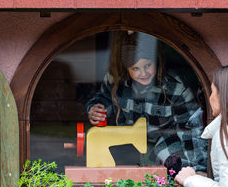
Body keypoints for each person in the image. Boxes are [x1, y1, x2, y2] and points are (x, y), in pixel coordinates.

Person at [85, 31, 207, 173]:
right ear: (126, 68)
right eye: (135, 68)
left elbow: (190, 130)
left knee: (174, 166)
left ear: (157, 60)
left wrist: (196, 168)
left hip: (165, 144)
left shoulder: (176, 89)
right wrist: (95, 109)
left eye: (148, 65)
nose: (143, 73)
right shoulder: (115, 80)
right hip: (127, 146)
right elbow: (103, 98)